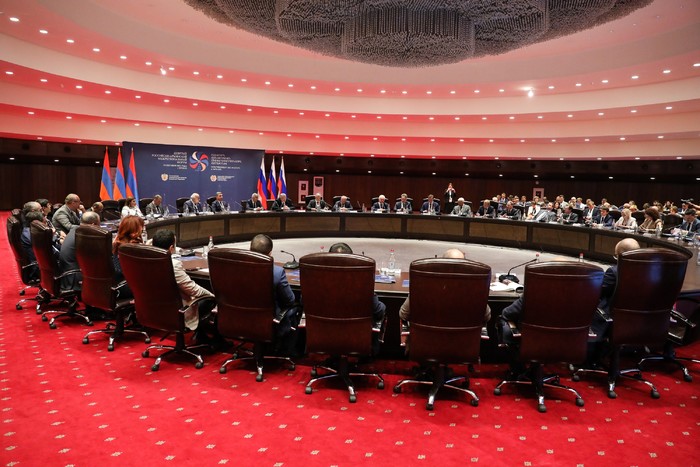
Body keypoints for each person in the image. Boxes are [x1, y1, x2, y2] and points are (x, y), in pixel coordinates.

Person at [151, 230, 219, 345]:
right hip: (177, 313)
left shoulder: (147, 260)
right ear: (171, 248)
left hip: (156, 309)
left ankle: (201, 334)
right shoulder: (173, 265)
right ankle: (216, 340)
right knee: (209, 299)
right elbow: (194, 291)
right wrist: (214, 296)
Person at [399, 248, 491, 325]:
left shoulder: (423, 287)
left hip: (426, 340)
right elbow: (486, 317)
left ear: (442, 265)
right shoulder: (474, 291)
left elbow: (403, 314)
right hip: (466, 341)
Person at [250, 234, 301, 352]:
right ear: (270, 254)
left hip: (242, 320)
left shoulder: (237, 268)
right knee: (297, 306)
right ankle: (290, 349)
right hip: (270, 323)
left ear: (250, 249)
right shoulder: (277, 272)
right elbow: (290, 300)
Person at [328, 242, 387, 339]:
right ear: (352, 262)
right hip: (357, 340)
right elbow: (378, 311)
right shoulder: (361, 283)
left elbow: (304, 303)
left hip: (322, 338)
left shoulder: (315, 281)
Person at [59, 211, 101, 292]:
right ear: (93, 225)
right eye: (99, 225)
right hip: (75, 277)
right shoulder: (85, 235)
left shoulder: (76, 230)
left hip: (67, 274)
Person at [112, 216, 145, 299]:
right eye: (141, 226)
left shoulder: (116, 242)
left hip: (115, 285)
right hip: (126, 287)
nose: (143, 229)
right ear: (135, 230)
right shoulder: (133, 247)